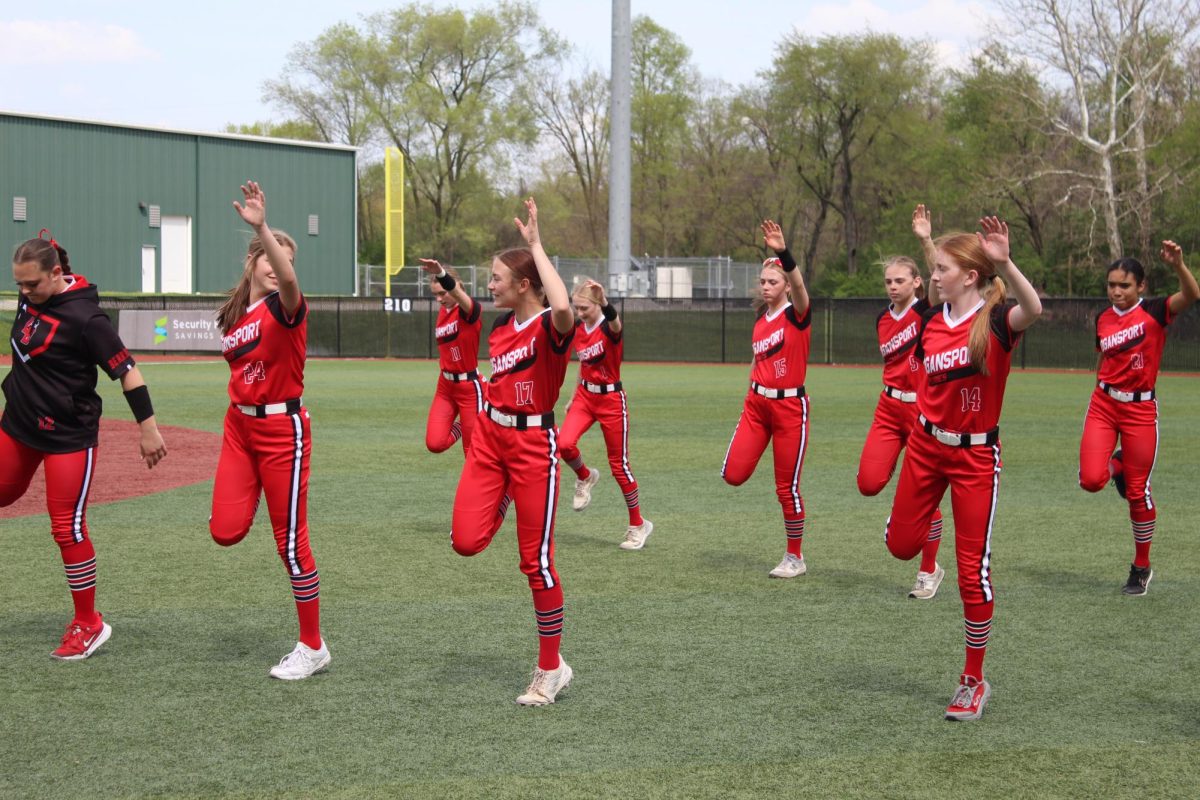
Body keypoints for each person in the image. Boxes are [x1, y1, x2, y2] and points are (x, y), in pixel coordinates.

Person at [884, 216, 1042, 721]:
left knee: (973, 574)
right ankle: (920, 526)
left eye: (943, 269)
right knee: (900, 546)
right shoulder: (930, 321)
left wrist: (1004, 262)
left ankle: (973, 679)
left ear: (970, 276)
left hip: (975, 457)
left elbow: (1034, 309)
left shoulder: (996, 322)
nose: (934, 275)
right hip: (927, 449)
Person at [2, 230, 167, 660]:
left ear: (56, 273)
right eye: (18, 284)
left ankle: (88, 623)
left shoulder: (87, 320)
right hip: (17, 425)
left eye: (31, 284)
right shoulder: (31, 298)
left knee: (66, 527)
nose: (24, 292)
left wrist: (147, 428)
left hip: (67, 436)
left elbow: (128, 372)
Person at [449, 198, 576, 706]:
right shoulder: (500, 332)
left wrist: (536, 246)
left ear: (524, 285)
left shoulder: (549, 326)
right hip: (490, 442)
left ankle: (551, 668)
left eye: (499, 277)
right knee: (464, 540)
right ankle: (504, 498)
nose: (491, 284)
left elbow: (564, 307)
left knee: (536, 563)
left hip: (532, 448)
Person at [209, 181, 329, 680]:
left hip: (282, 429)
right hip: (240, 427)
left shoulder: (287, 306)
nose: (282, 266)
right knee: (225, 530)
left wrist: (262, 226)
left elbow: (290, 284)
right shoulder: (238, 313)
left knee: (289, 542)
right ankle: (263, 491)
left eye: (288, 259)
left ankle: (313, 645)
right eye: (274, 256)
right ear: (253, 260)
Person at [1078, 241, 1200, 596]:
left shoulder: (1157, 310)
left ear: (1141, 287)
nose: (1116, 291)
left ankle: (1141, 567)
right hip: (1103, 403)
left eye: (1124, 285)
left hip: (1140, 409)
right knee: (1090, 479)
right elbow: (1103, 357)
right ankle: (1119, 463)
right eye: (1111, 284)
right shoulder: (1102, 318)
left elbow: (1191, 294)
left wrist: (1178, 264)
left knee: (1137, 491)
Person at [857, 205, 946, 599]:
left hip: (924, 411)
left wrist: (926, 239)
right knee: (868, 483)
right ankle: (905, 509)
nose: (892, 286)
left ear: (917, 283)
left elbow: (943, 280)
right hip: (889, 408)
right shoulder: (881, 319)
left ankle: (929, 570)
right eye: (888, 281)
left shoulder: (929, 312)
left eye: (900, 280)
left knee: (925, 495)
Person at [721, 220, 813, 578]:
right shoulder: (761, 320)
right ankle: (793, 554)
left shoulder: (798, 314)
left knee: (786, 487)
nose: (766, 285)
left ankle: (795, 556)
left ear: (787, 286)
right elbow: (758, 360)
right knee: (733, 474)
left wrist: (782, 253)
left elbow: (802, 286)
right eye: (763, 281)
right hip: (757, 405)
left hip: (789, 407)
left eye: (773, 281)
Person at [558, 279, 653, 550]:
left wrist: (606, 302)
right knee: (564, 444)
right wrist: (575, 395)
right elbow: (583, 363)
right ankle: (585, 476)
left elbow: (614, 322)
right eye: (576, 308)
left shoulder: (608, 328)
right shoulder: (578, 330)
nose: (580, 313)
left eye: (584, 307)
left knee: (619, 466)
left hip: (611, 400)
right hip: (586, 397)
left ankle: (638, 525)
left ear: (597, 304)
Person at [419, 259, 485, 454]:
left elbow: (463, 299)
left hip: (469, 387)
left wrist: (441, 274)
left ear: (456, 288)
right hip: (446, 386)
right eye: (435, 295)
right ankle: (463, 424)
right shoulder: (443, 311)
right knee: (435, 443)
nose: (439, 298)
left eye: (442, 293)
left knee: (473, 455)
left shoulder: (467, 311)